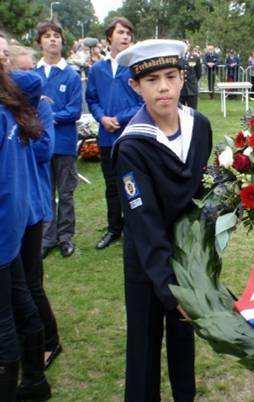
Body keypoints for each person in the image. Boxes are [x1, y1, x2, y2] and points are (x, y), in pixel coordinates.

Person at [113, 39, 212, 401]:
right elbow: (145, 225)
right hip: (148, 260)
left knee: (184, 340)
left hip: (187, 258)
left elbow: (201, 191)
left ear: (183, 78)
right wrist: (171, 290)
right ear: (135, 86)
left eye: (171, 76)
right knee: (144, 344)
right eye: (152, 79)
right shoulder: (132, 146)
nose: (164, 87)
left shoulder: (199, 126)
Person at [7, 42, 64, 370]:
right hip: (20, 203)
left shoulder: (37, 105)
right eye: (23, 71)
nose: (31, 79)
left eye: (30, 70)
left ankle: (49, 341)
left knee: (30, 280)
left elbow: (46, 149)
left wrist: (16, 142)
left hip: (34, 201)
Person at [0, 54, 52, 402]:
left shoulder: (9, 108)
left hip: (7, 228)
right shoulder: (8, 109)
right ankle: (35, 382)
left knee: (4, 321)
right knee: (20, 304)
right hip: (11, 228)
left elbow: (34, 81)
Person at [86, 17, 144, 251]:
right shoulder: (97, 69)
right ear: (110, 37)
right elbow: (92, 98)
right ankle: (114, 228)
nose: (126, 36)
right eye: (121, 32)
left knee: (132, 184)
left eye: (129, 32)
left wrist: (119, 119)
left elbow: (143, 102)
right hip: (106, 138)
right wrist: (102, 118)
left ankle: (135, 228)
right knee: (111, 186)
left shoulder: (136, 67)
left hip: (130, 136)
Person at [35, 21, 83, 259]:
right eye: (47, 36)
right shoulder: (32, 75)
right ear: (40, 42)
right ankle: (48, 237)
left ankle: (65, 237)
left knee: (65, 193)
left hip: (64, 143)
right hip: (40, 145)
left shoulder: (71, 75)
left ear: (62, 42)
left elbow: (74, 111)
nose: (52, 39)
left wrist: (47, 116)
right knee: (45, 193)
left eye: (56, 36)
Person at [180, 45, 202, 110]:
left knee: (193, 111)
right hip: (181, 89)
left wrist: (194, 81)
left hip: (192, 88)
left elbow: (198, 73)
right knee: (180, 111)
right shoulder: (177, 58)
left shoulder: (195, 58)